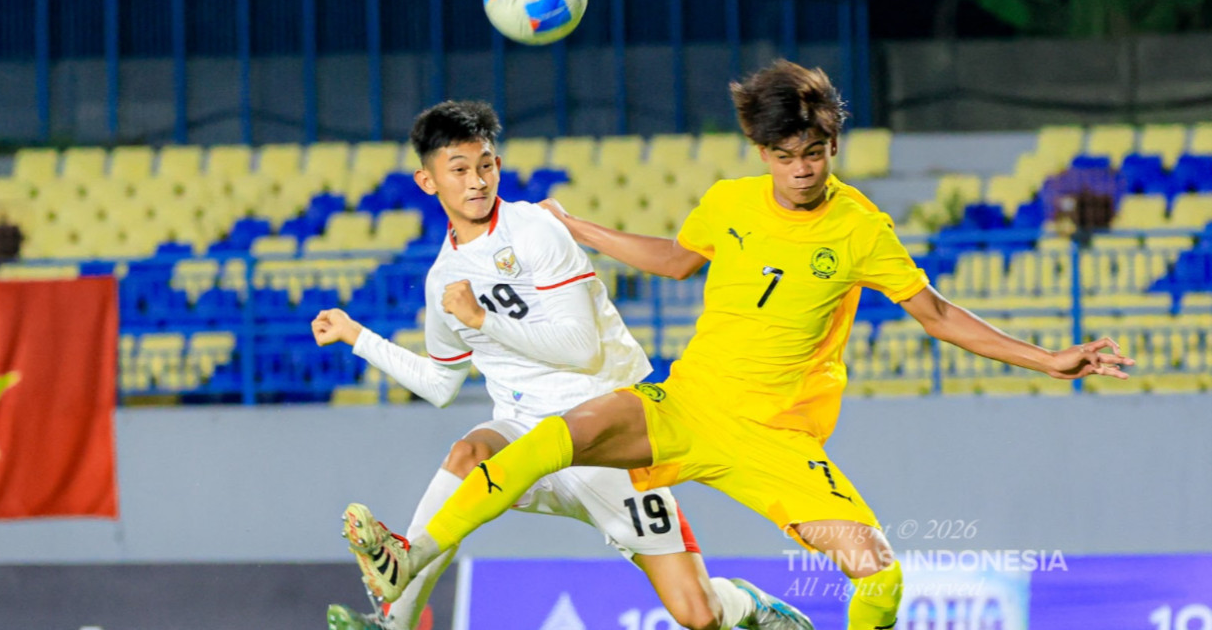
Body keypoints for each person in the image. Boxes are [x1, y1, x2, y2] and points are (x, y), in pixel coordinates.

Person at [343, 63, 1137, 630]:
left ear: (832, 145)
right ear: (762, 153)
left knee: (879, 577)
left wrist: (1048, 357)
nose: (800, 172)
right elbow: (677, 259)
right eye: (785, 157)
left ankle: (757, 610)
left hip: (775, 441)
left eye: (814, 155)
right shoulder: (729, 202)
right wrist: (578, 227)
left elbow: (935, 313)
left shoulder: (860, 227)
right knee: (557, 435)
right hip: (686, 405)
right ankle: (409, 560)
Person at [313, 100, 809, 630]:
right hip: (526, 434)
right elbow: (440, 385)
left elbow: (581, 350)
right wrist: (357, 336)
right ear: (428, 181)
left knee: (699, 615)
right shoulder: (443, 279)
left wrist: (482, 320)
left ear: (498, 166)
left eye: (485, 165)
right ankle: (395, 622)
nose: (477, 181)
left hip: (608, 435)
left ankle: (747, 603)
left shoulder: (534, 230)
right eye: (459, 170)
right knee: (468, 453)